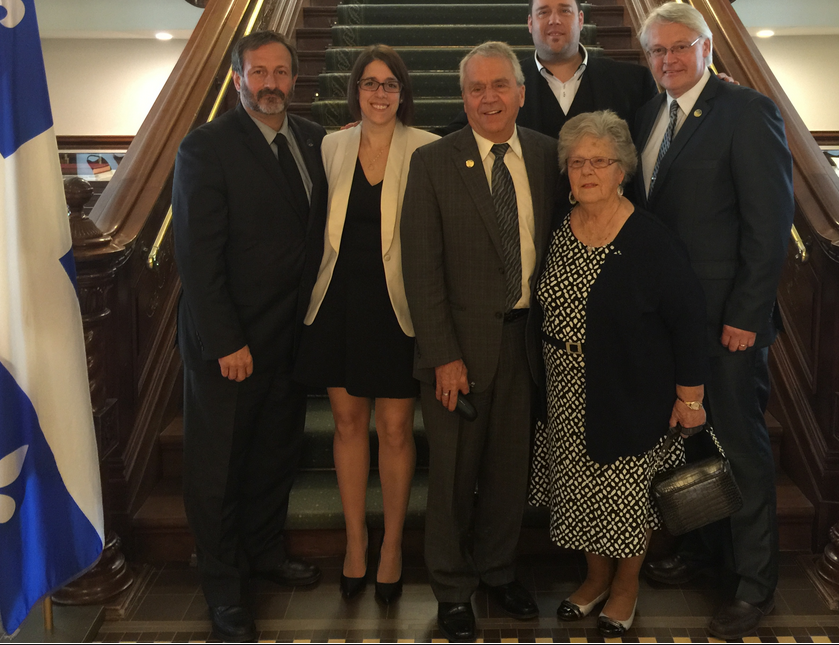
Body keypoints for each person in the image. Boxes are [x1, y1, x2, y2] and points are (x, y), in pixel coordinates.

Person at [630, 2, 794, 640]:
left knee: (742, 451)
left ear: (705, 49)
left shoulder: (746, 111)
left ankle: (755, 586)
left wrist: (748, 315)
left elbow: (769, 223)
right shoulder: (649, 116)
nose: (666, 60)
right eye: (656, 52)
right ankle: (703, 554)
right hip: (670, 324)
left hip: (727, 325)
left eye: (678, 47)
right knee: (691, 445)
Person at [401, 41, 560, 642]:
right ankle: (452, 587)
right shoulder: (434, 163)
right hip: (457, 354)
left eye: (500, 85)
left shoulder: (547, 156)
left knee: (507, 475)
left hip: (526, 347)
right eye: (476, 88)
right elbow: (422, 268)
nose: (489, 97)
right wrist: (443, 355)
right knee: (451, 479)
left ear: (521, 92)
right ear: (462, 98)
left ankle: (497, 569)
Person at [172, 30, 328, 642]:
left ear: (295, 77)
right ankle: (223, 583)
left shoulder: (315, 140)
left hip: (291, 337)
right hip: (230, 344)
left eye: (281, 72)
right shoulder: (205, 148)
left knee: (274, 455)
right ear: (238, 78)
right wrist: (224, 340)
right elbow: (197, 254)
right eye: (258, 72)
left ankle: (265, 553)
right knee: (218, 470)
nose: (270, 83)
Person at [528, 110, 708, 635]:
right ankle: (594, 578)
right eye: (577, 162)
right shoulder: (559, 228)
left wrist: (690, 398)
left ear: (622, 169)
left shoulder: (650, 238)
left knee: (625, 497)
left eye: (599, 162)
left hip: (633, 391)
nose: (587, 172)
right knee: (580, 490)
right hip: (564, 390)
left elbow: (689, 320)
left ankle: (625, 587)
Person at [295, 45, 437, 604]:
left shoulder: (426, 148)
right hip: (338, 305)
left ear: (404, 93)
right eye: (370, 83)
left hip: (396, 308)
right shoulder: (332, 146)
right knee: (349, 426)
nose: (380, 93)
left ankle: (392, 547)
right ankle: (356, 543)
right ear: (355, 90)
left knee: (397, 431)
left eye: (390, 84)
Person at [442, 0, 658, 137]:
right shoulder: (503, 83)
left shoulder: (634, 83)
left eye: (565, 10)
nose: (554, 20)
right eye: (543, 12)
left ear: (580, 19)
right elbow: (455, 135)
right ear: (530, 23)